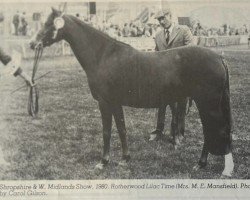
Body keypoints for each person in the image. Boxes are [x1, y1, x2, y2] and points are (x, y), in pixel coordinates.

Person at [149, 6, 194, 146]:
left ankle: (179, 133)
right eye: (159, 19)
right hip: (163, 78)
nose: (161, 22)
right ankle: (158, 130)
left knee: (180, 106)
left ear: (170, 16)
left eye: (163, 18)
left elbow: (191, 49)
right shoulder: (158, 35)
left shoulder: (184, 30)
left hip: (180, 77)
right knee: (161, 104)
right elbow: (156, 54)